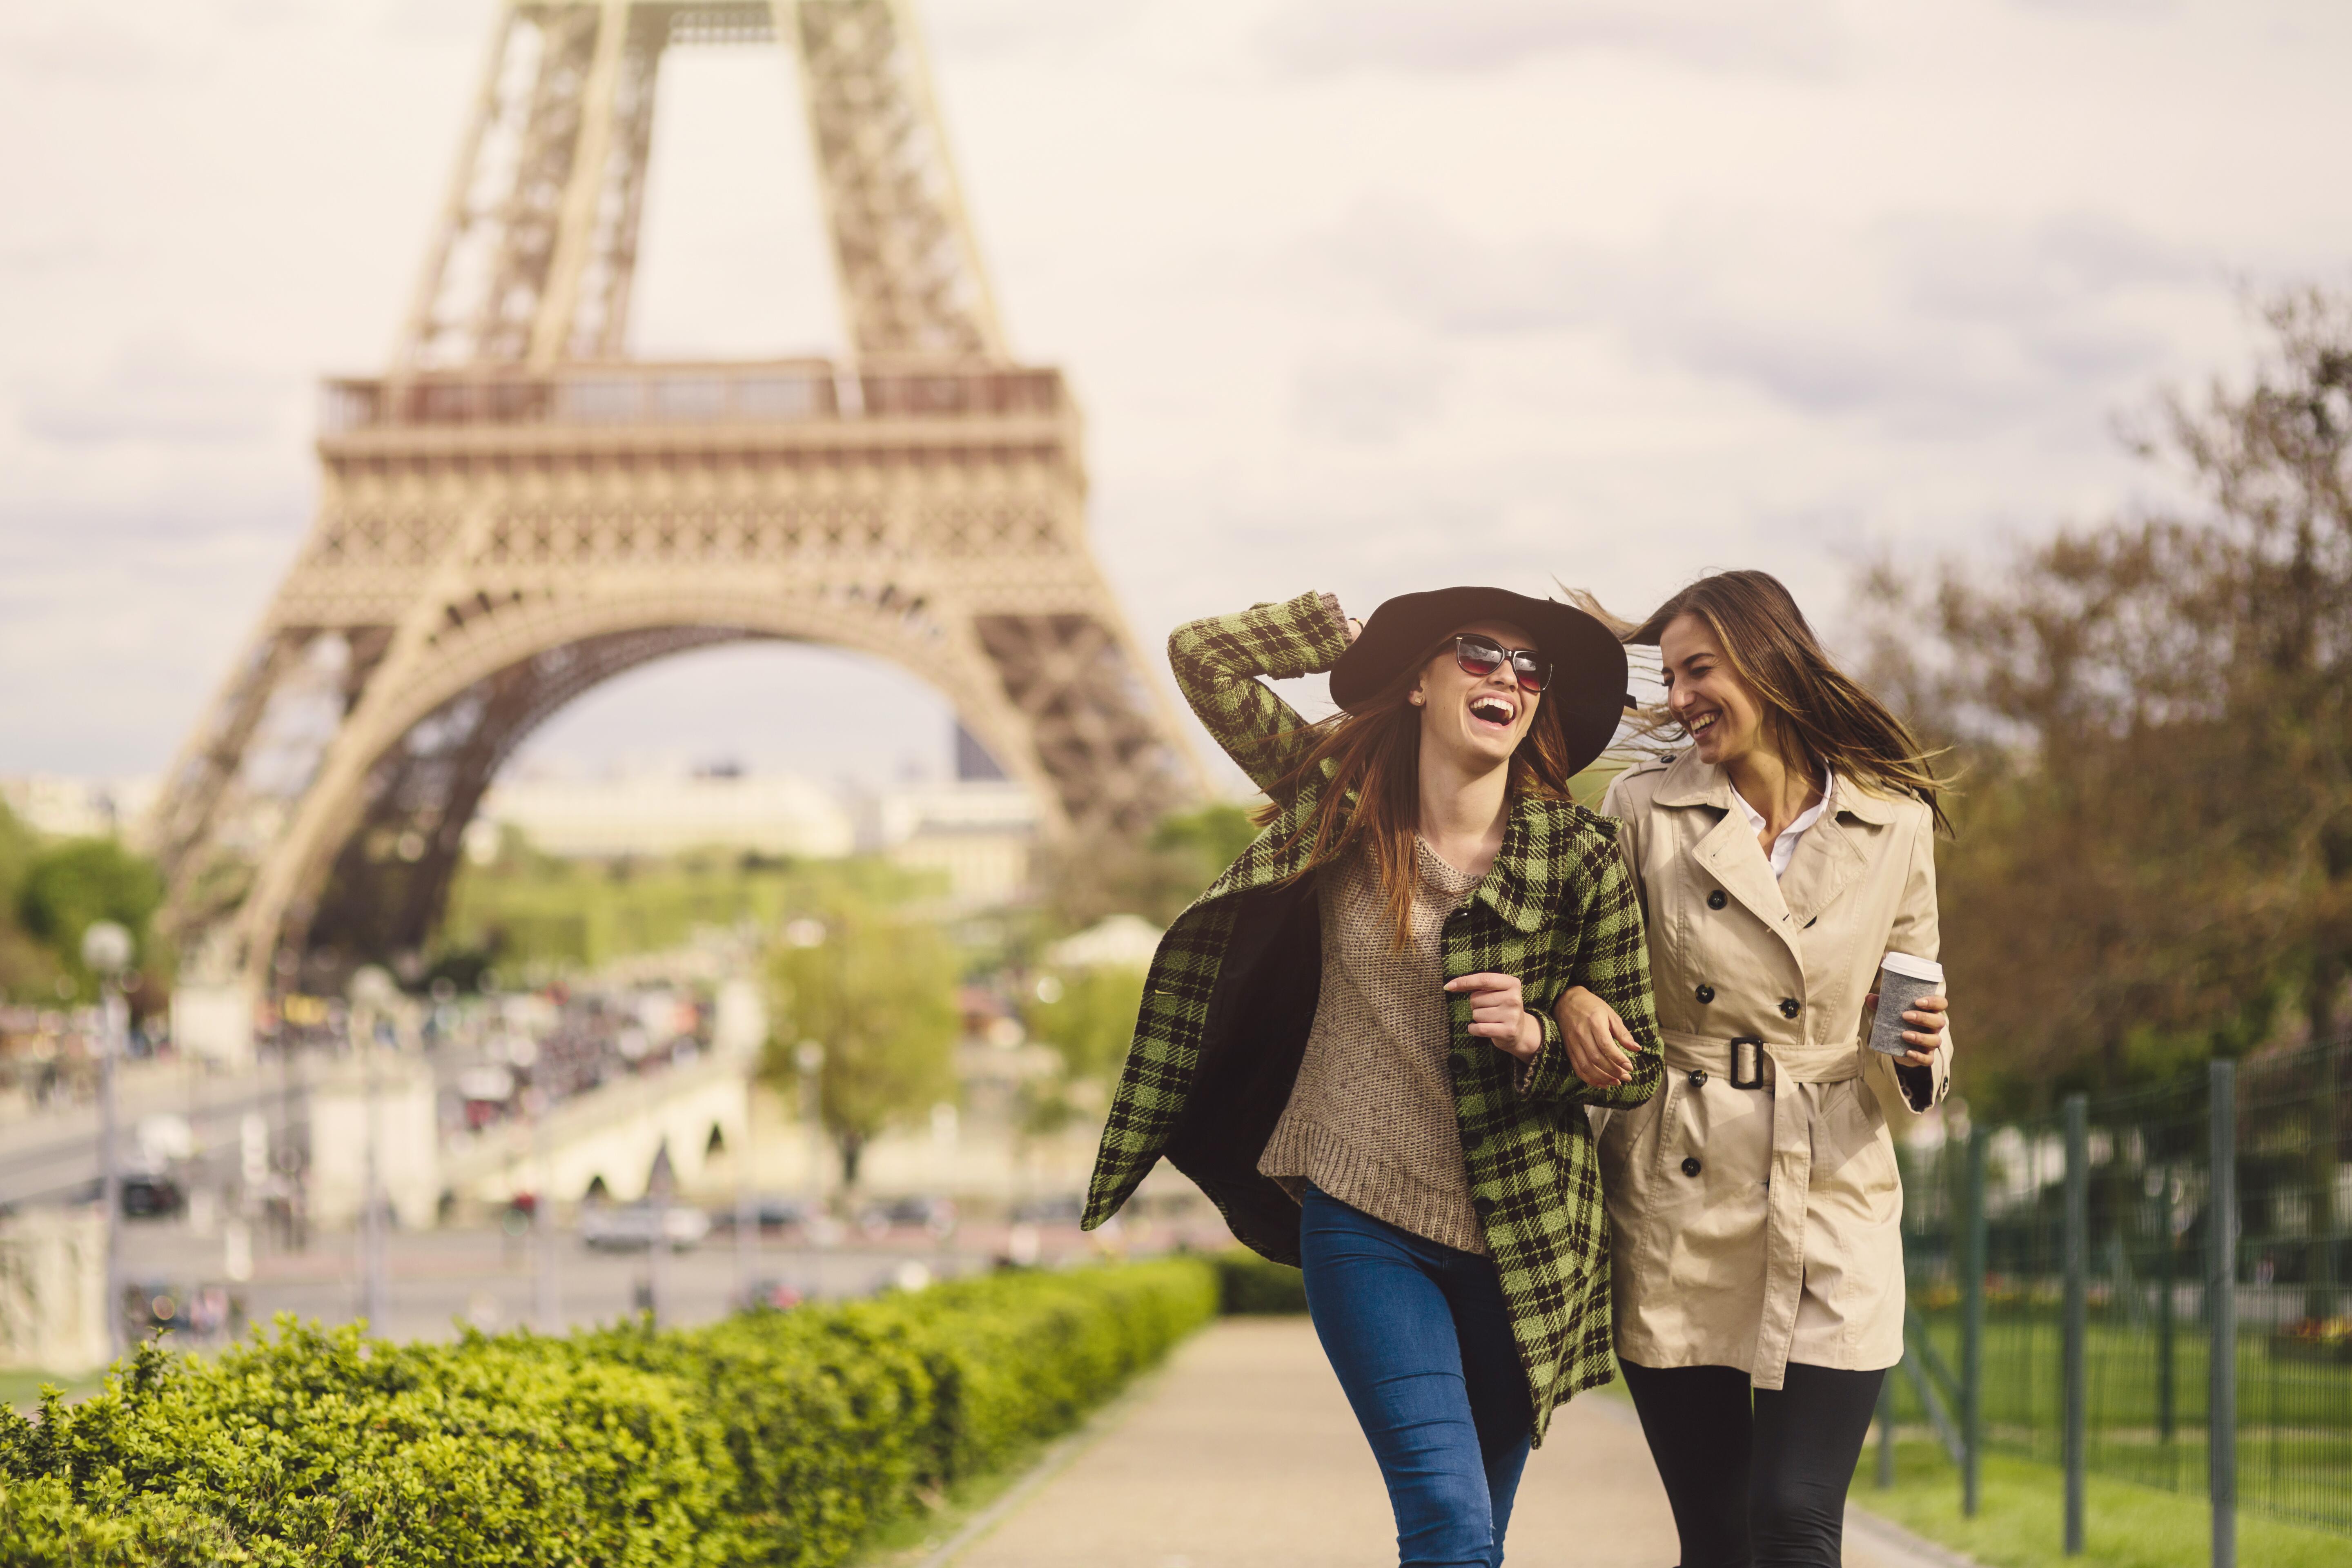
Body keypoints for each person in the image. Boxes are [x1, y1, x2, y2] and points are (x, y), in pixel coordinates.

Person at [1082, 587, 1663, 1568]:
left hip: (1525, 1238)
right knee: (1447, 1518)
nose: (1506, 679)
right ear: (1420, 685)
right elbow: (1200, 658)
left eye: (1529, 669)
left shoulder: (1583, 856)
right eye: (1478, 655)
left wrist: (1539, 1035)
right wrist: (1330, 638)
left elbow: (1634, 1065)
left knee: (1474, 1535)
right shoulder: (1343, 809)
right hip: (1361, 1217)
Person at [1549, 570, 1954, 1568]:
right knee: (1721, 1535)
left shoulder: (1893, 820)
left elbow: (1916, 991)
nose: (1680, 697)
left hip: (1835, 1182)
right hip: (1680, 1179)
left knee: (1796, 1515)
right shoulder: (1643, 809)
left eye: (1700, 670)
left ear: (1770, 662)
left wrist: (1923, 1047)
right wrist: (1570, 1001)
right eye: (1671, 675)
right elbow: (1577, 959)